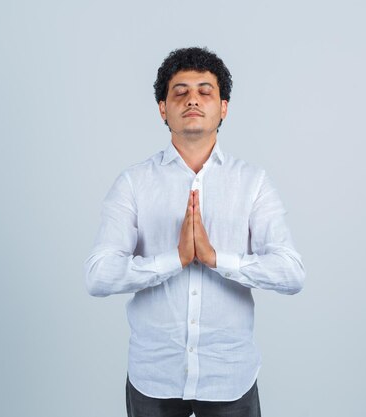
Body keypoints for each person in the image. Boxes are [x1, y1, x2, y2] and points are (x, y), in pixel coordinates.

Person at [84, 47, 305, 417]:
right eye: (180, 91)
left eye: (205, 91)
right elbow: (97, 276)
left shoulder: (253, 183)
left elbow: (292, 273)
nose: (192, 99)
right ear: (162, 108)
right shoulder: (134, 183)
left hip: (229, 375)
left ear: (224, 107)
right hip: (152, 376)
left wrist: (216, 259)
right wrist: (175, 259)